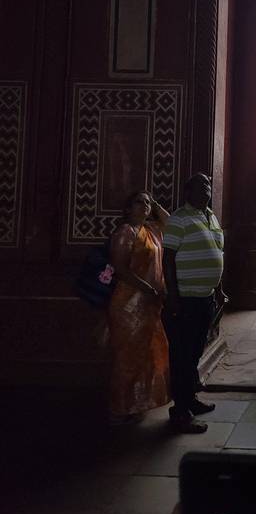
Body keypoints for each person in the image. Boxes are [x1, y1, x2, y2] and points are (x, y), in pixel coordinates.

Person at [162, 174, 224, 433]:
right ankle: (180, 412)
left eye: (208, 188)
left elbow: (218, 252)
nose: (205, 193)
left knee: (195, 350)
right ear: (187, 192)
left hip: (205, 296)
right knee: (182, 355)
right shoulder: (178, 219)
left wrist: (219, 288)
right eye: (200, 189)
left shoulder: (209, 216)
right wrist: (173, 296)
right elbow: (167, 259)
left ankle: (190, 399)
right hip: (186, 298)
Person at [108, 191, 170, 423]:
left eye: (147, 202)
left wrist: (155, 203)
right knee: (128, 355)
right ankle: (123, 405)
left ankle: (141, 402)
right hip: (128, 304)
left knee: (149, 352)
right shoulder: (126, 232)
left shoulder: (152, 231)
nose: (144, 206)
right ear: (127, 209)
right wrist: (146, 288)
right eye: (139, 202)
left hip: (149, 303)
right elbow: (121, 269)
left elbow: (170, 223)